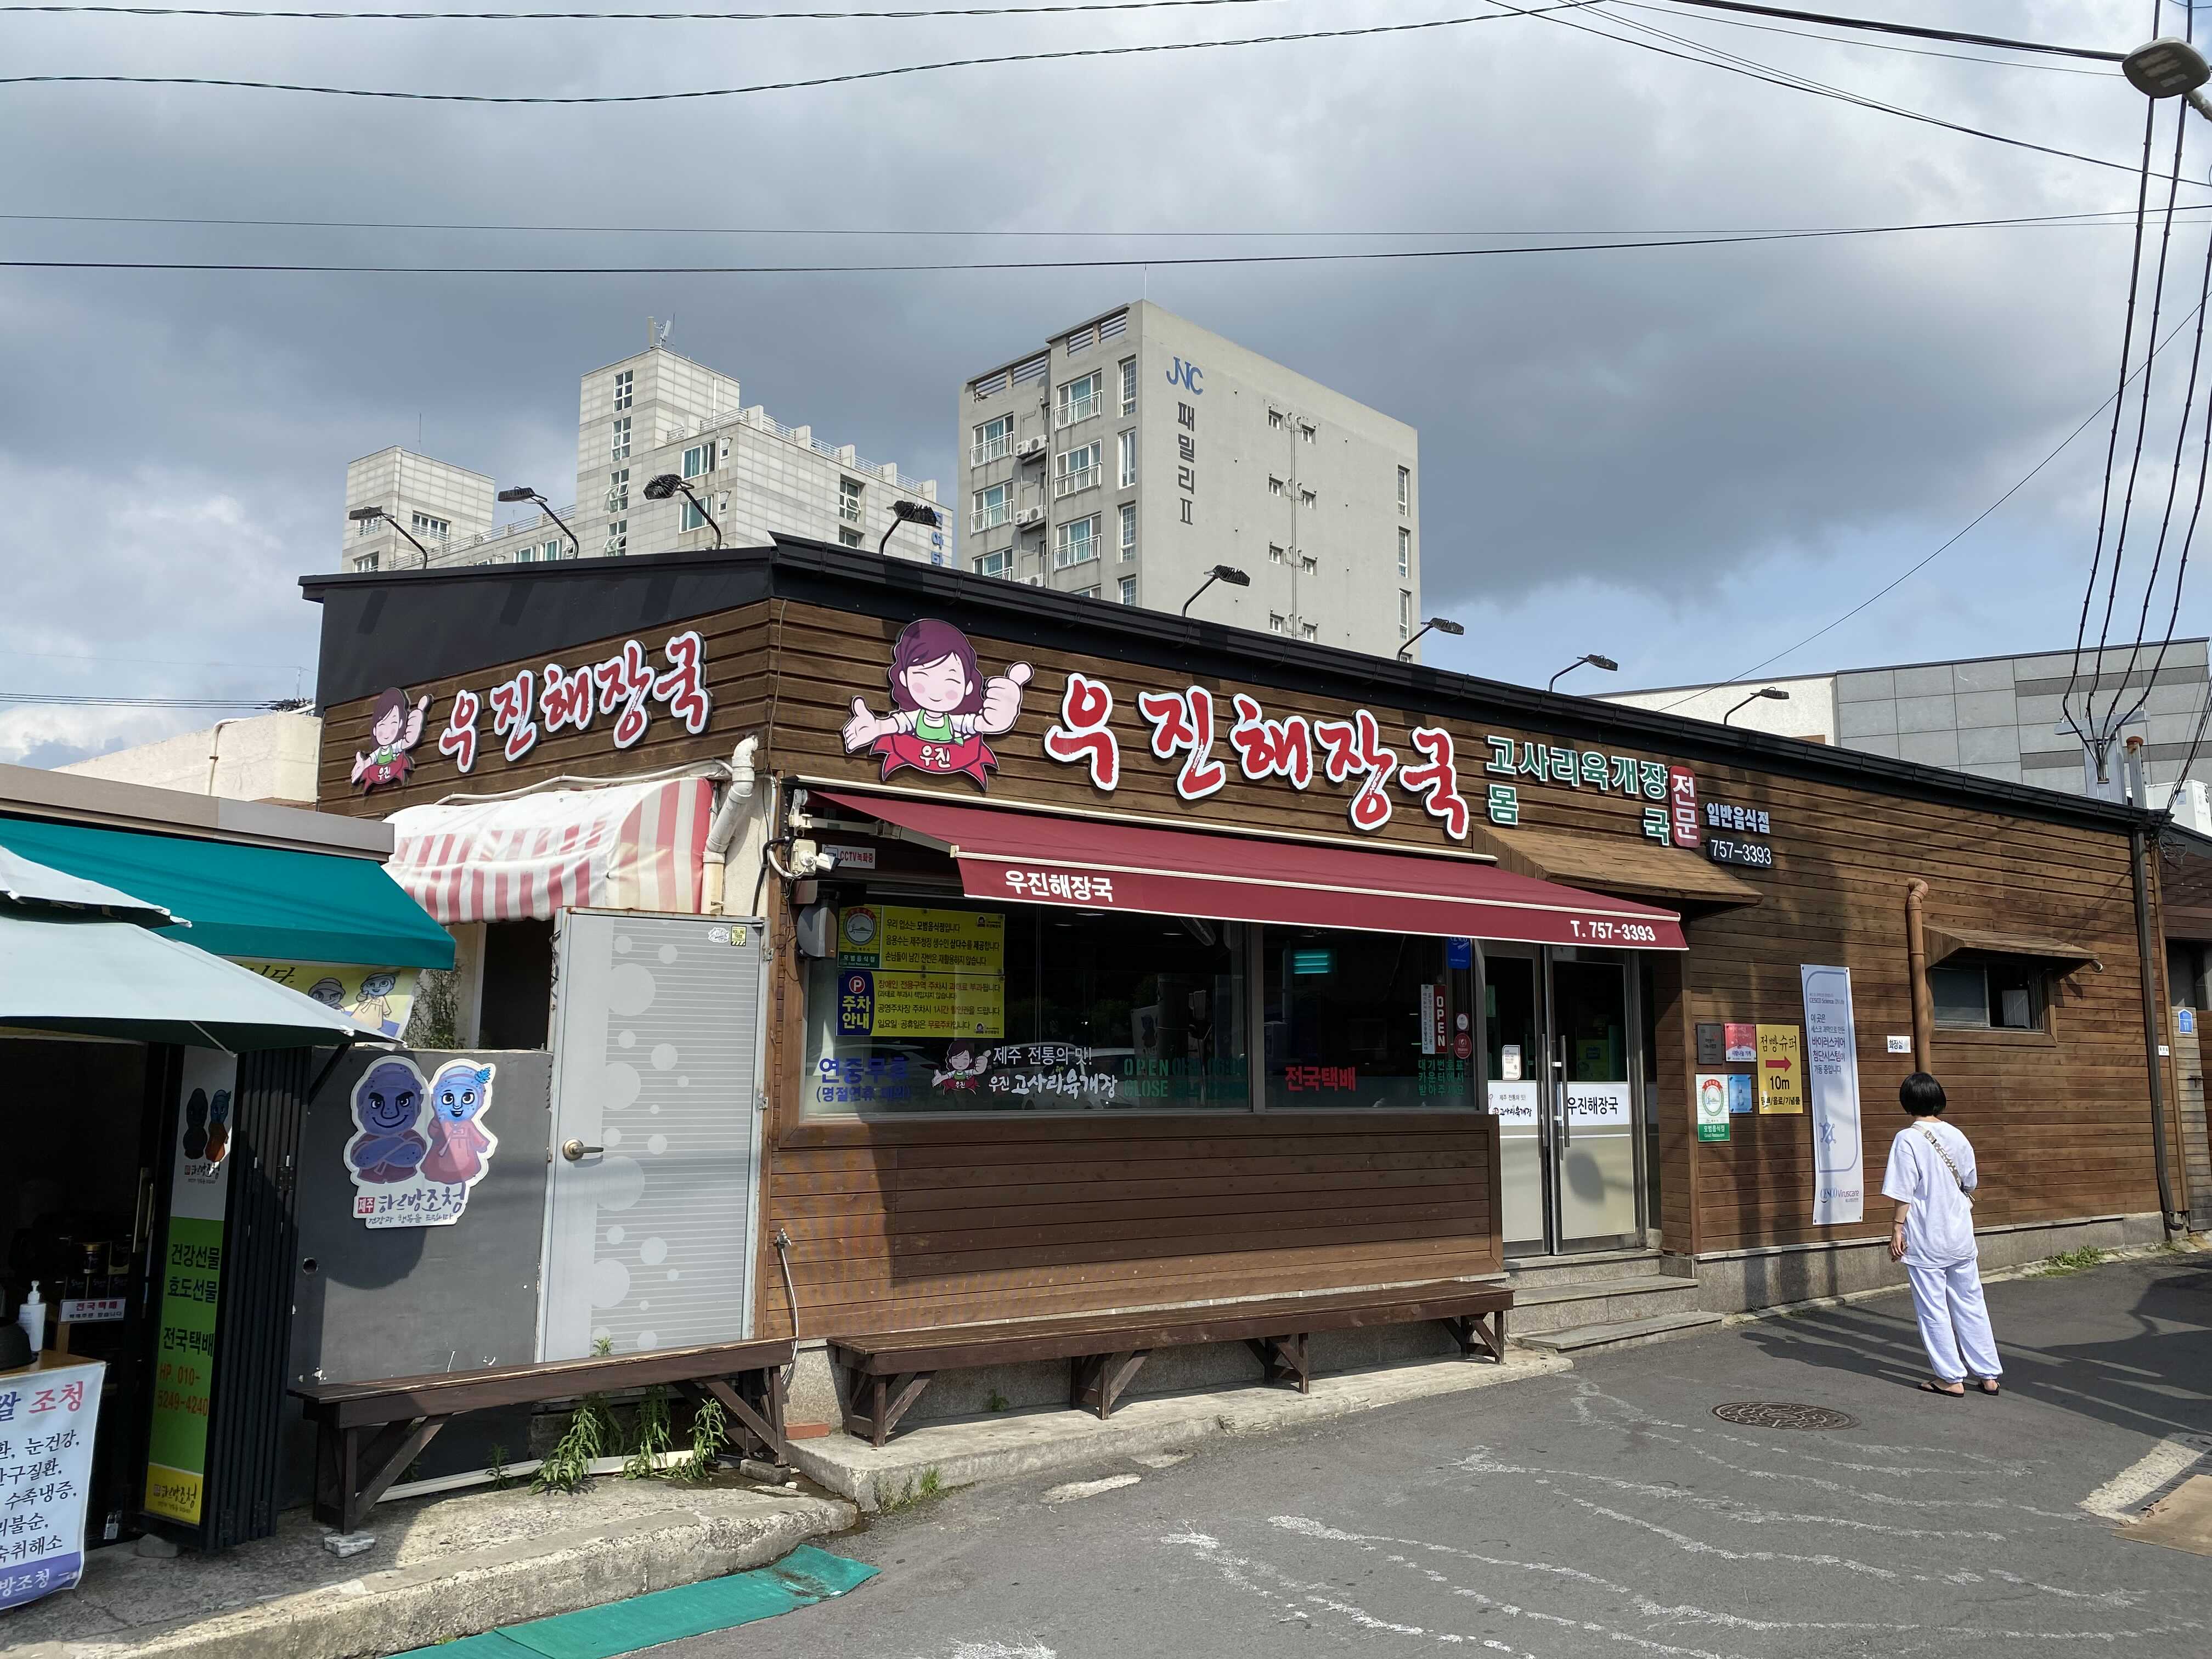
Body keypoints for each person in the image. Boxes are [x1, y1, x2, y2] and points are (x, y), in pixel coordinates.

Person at [1882, 1071, 2001, 1398]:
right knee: (1971, 1302)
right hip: (1961, 1233)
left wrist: (1896, 1229)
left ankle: (1951, 1377)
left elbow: (1903, 1191)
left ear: (1907, 1103)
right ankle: (1988, 1373)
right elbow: (1971, 1183)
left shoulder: (1907, 1140)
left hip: (1927, 1236)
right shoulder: (1957, 1135)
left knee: (1933, 1308)